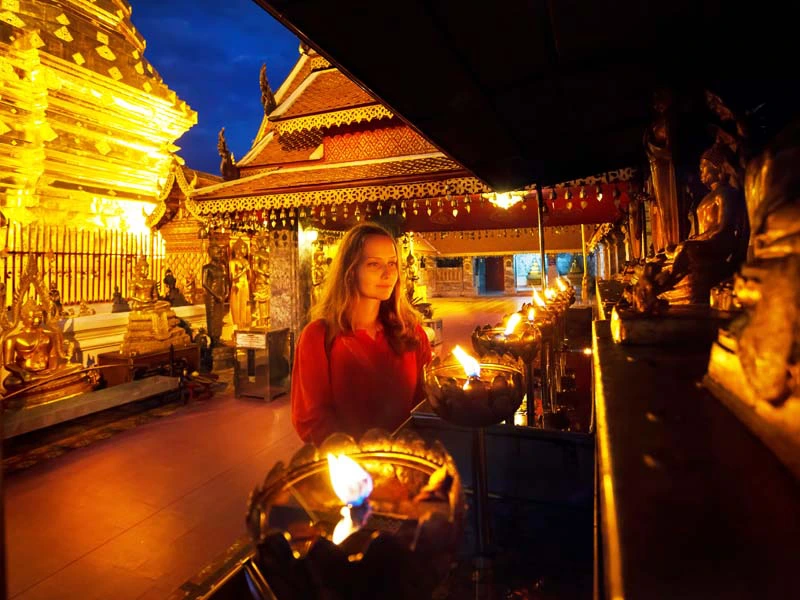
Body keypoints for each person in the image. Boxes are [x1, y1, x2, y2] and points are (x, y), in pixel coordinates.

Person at [291, 223, 432, 445]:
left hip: (405, 460)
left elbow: (424, 403)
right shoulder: (319, 336)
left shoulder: (411, 333)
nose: (388, 273)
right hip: (350, 468)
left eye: (392, 263)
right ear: (350, 270)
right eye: (374, 264)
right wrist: (358, 459)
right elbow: (312, 418)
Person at [202, 243, 230, 346]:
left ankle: (218, 337)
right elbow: (204, 283)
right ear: (211, 254)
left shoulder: (222, 267)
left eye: (220, 253)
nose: (220, 255)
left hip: (221, 295)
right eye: (217, 253)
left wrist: (226, 292)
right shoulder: (207, 268)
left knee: (219, 317)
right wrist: (215, 295)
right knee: (212, 317)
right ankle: (213, 339)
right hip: (212, 297)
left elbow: (225, 280)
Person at [229, 238, 252, 330]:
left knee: (245, 303)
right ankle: (237, 324)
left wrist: (249, 271)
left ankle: (245, 323)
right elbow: (233, 277)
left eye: (245, 248)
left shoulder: (246, 261)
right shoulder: (232, 262)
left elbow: (249, 276)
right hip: (237, 285)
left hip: (245, 284)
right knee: (237, 305)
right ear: (237, 249)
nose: (245, 250)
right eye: (243, 248)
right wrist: (244, 270)